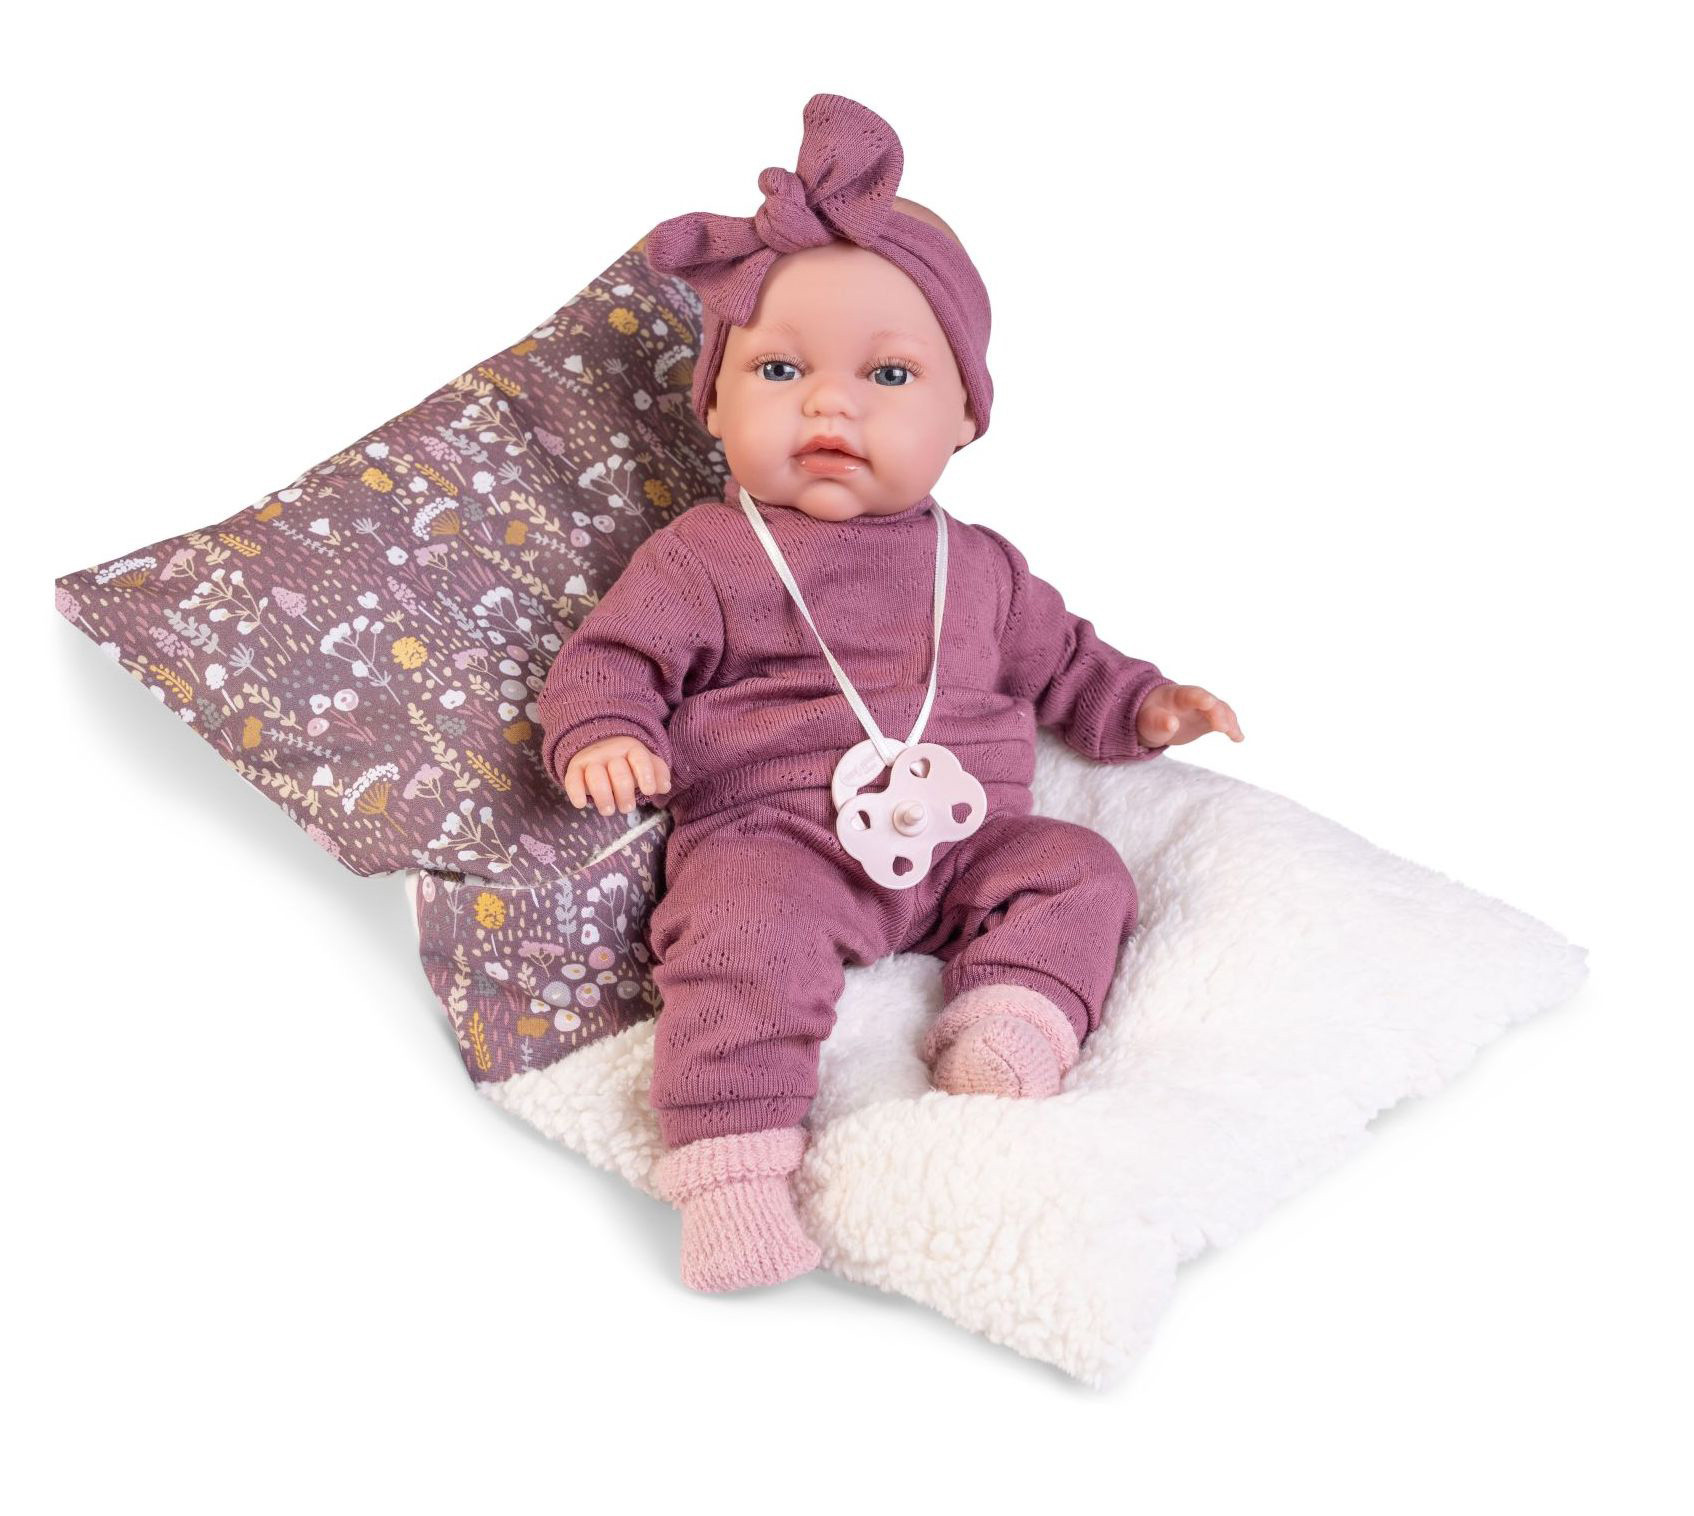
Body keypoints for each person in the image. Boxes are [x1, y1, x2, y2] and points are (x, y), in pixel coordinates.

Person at [536, 94, 1242, 1292]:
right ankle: (732, 1176)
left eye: (888, 373)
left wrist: (1144, 704)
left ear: (963, 416)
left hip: (965, 839)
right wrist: (603, 729)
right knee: (736, 938)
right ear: (714, 404)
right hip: (780, 838)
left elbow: (1066, 662)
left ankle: (1007, 1019)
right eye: (778, 369)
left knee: (1079, 868)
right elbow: (612, 658)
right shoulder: (707, 555)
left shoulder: (981, 568)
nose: (830, 402)